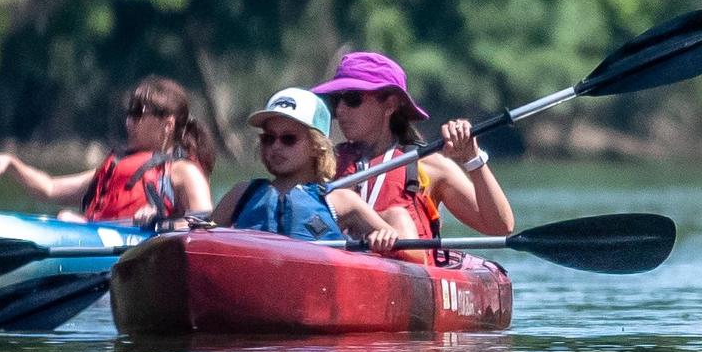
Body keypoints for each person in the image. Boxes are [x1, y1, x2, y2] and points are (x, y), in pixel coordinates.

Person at [307, 51, 513, 252]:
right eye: (336, 100)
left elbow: (500, 227)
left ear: (390, 104)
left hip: (405, 272)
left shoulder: (430, 167)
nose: (341, 109)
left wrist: (472, 157)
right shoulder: (324, 162)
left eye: (352, 99)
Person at [0, 76, 220, 227]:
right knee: (66, 217)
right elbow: (49, 188)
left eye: (138, 115)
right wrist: (12, 164)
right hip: (98, 245)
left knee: (67, 219)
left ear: (167, 124)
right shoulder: (116, 168)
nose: (129, 122)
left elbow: (204, 223)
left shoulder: (185, 173)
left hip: (143, 255)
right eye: (128, 114)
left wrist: (159, 220)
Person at [212, 89, 379, 243]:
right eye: (269, 138)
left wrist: (385, 236)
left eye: (288, 139)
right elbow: (203, 241)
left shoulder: (341, 201)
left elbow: (402, 251)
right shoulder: (241, 194)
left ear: (316, 146)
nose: (276, 146)